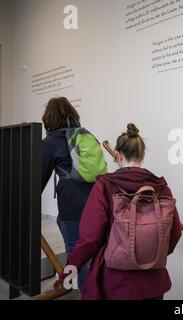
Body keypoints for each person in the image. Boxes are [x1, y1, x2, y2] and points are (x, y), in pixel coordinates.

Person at [57, 123, 182, 300]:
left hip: (115, 282)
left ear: (118, 155)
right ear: (143, 155)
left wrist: (69, 269)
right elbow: (175, 233)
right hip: (154, 283)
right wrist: (150, 252)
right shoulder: (161, 189)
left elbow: (89, 239)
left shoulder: (105, 186)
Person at [41, 97, 92, 285]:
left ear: (49, 118)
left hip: (72, 204)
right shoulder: (84, 135)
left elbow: (38, 178)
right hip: (96, 202)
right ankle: (76, 285)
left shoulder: (51, 141)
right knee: (90, 251)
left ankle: (85, 294)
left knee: (77, 255)